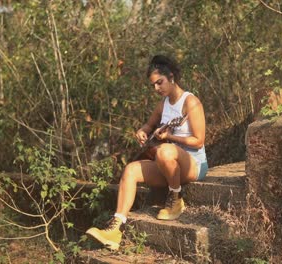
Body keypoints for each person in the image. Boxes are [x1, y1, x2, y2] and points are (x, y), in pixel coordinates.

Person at [86, 55, 208, 250]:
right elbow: (149, 125)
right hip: (168, 163)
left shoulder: (191, 102)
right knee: (131, 170)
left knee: (164, 151)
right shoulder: (163, 105)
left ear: (172, 77)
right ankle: (116, 227)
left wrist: (172, 138)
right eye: (153, 85)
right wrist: (142, 132)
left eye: (160, 83)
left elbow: (199, 140)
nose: (157, 89)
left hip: (194, 163)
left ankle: (175, 199)